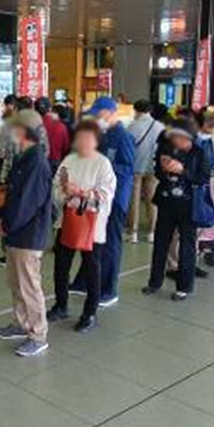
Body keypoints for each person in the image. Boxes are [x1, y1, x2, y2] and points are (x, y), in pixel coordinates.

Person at [0, 109, 53, 357]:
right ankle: (21, 323)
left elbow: (26, 204)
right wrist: (3, 219)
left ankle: (38, 335)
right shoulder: (24, 157)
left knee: (29, 285)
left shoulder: (36, 162)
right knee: (16, 282)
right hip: (17, 232)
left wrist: (6, 224)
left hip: (28, 234)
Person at [49, 120, 116, 332]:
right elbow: (55, 189)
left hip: (91, 223)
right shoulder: (69, 160)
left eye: (88, 138)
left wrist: (82, 193)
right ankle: (61, 304)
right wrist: (65, 194)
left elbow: (106, 193)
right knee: (61, 265)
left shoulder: (102, 163)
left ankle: (90, 313)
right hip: (67, 220)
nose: (83, 142)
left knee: (92, 267)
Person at [141, 119, 211, 301]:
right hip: (166, 201)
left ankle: (184, 286)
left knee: (187, 246)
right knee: (160, 243)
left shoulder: (199, 152)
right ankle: (154, 282)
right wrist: (163, 168)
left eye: (178, 137)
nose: (174, 140)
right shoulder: (166, 148)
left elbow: (203, 178)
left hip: (189, 206)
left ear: (188, 137)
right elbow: (157, 172)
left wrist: (183, 171)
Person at [75, 96, 134, 306]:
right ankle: (84, 281)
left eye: (99, 113)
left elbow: (128, 168)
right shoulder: (105, 135)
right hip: (98, 197)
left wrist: (103, 166)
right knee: (93, 239)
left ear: (109, 112)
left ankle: (109, 289)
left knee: (110, 243)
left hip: (115, 198)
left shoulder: (123, 137)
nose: (96, 118)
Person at [126, 99, 163, 244]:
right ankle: (151, 232)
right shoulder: (159, 126)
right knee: (152, 200)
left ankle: (133, 233)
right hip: (153, 167)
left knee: (134, 200)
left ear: (136, 110)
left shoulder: (131, 127)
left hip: (135, 167)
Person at [36, 96, 70, 173]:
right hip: (56, 161)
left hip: (38, 161)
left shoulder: (34, 125)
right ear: (50, 109)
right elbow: (66, 146)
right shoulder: (60, 126)